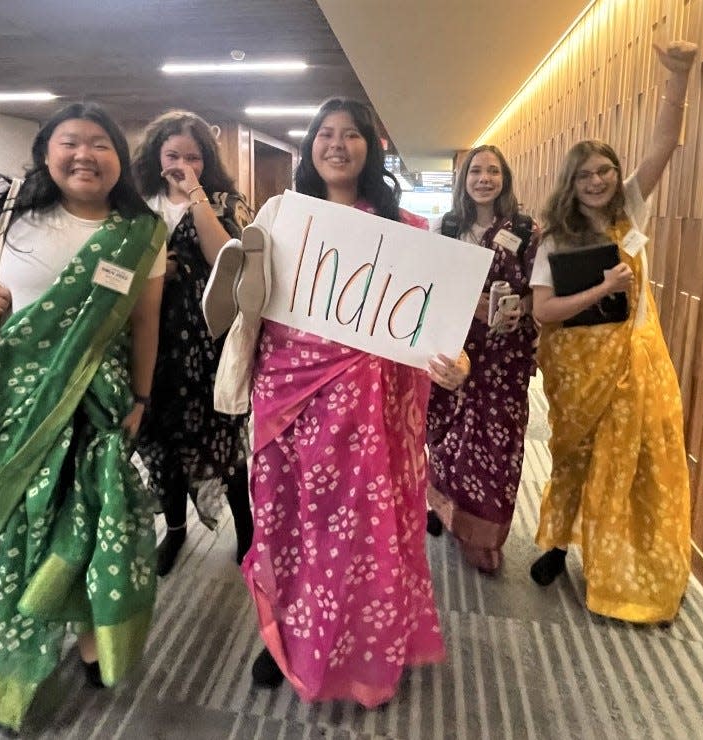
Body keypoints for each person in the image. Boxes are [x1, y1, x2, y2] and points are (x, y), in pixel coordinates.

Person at [0, 101, 166, 730]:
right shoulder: (5, 205)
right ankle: (36, 631)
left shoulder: (139, 228)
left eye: (101, 144)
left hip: (102, 400)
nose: (85, 155)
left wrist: (143, 399)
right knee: (29, 522)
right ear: (46, 151)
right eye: (71, 142)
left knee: (99, 518)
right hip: (18, 403)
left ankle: (93, 637)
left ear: (119, 160)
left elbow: (144, 321)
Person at [214, 98, 467, 706]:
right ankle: (284, 639)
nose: (337, 144)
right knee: (289, 524)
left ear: (371, 149)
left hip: (372, 415)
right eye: (324, 134)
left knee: (361, 534)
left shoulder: (407, 231)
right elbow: (250, 304)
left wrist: (453, 366)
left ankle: (367, 647)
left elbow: (434, 329)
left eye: (351, 134)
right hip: (290, 402)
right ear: (309, 148)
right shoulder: (280, 218)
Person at [528, 41, 697, 624]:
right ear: (570, 184)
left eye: (604, 170)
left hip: (639, 362)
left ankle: (623, 570)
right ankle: (554, 542)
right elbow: (544, 313)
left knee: (635, 461)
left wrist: (676, 78)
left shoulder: (632, 213)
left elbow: (664, 145)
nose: (597, 180)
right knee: (577, 456)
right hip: (578, 368)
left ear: (616, 175)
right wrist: (604, 289)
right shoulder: (554, 240)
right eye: (584, 175)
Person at [131, 110, 254, 576]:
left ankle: (247, 532)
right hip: (150, 338)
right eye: (173, 155)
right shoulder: (138, 201)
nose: (182, 164)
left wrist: (196, 195)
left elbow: (224, 256)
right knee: (161, 439)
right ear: (155, 156)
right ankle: (176, 531)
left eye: (194, 157)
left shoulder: (223, 199)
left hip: (206, 338)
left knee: (222, 438)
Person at [425, 145, 540, 575]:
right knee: (447, 436)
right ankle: (443, 509)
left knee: (495, 445)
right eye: (476, 170)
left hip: (503, 356)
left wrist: (520, 309)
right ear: (464, 179)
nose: (484, 178)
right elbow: (428, 282)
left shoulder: (528, 231)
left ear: (504, 179)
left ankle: (484, 537)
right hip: (453, 346)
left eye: (493, 171)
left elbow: (540, 292)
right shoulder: (447, 226)